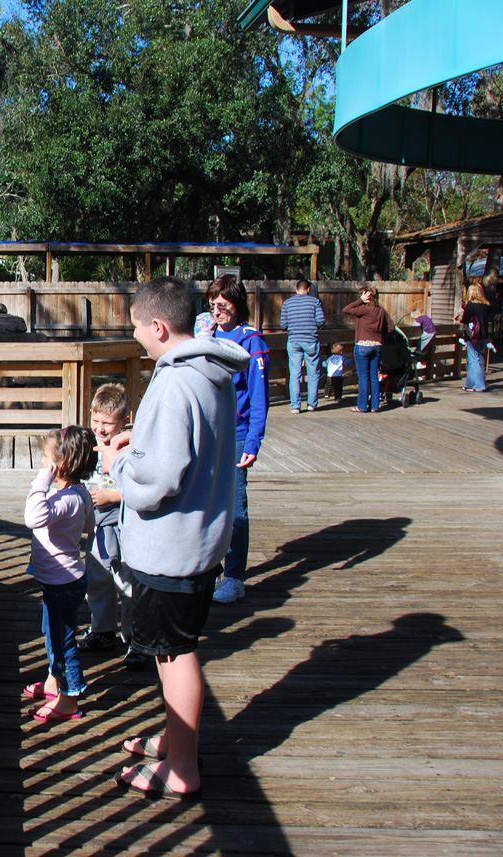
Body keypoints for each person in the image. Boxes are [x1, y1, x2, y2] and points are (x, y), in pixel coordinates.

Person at [100, 276, 246, 800]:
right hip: (201, 541)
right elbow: (190, 440)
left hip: (172, 551)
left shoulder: (172, 382)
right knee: (173, 649)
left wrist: (119, 466)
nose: (135, 335)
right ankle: (174, 740)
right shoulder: (209, 372)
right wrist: (140, 437)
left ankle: (183, 768)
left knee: (174, 655)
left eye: (136, 327)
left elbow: (158, 481)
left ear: (158, 326)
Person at [20, 425, 97, 723]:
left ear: (59, 465)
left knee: (63, 642)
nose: (42, 462)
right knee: (52, 634)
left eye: (45, 458)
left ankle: (69, 699)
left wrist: (43, 481)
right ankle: (54, 682)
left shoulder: (65, 500)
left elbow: (32, 517)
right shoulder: (77, 494)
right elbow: (89, 524)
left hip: (62, 583)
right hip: (66, 579)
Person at [77, 384, 149, 670]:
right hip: (97, 527)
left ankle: (134, 638)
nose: (101, 429)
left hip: (124, 526)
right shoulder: (90, 445)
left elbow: (138, 487)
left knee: (127, 583)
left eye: (107, 423)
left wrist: (112, 496)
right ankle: (102, 630)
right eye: (96, 421)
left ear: (123, 420)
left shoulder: (129, 448)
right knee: (96, 580)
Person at [207, 274, 268, 605]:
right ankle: (211, 567)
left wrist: (253, 442)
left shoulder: (251, 340)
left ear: (236, 304)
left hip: (238, 434)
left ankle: (234, 576)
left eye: (223, 304)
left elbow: (259, 398)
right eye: (213, 304)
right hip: (210, 433)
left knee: (235, 507)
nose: (217, 310)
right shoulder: (209, 335)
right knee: (208, 502)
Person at [279, 279, 325, 413]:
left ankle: (295, 405)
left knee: (295, 374)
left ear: (296, 289)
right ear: (308, 289)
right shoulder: (315, 302)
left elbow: (283, 324)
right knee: (313, 373)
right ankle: (311, 404)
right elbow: (321, 320)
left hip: (294, 340)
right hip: (311, 340)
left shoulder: (287, 303)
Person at [343, 285, 389, 413]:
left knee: (363, 377)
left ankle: (362, 406)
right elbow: (390, 327)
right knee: (374, 376)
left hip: (362, 346)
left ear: (366, 296)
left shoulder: (364, 309)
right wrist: (380, 336)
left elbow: (346, 309)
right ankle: (375, 406)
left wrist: (360, 301)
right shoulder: (381, 311)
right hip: (376, 346)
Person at [457, 284, 492, 392]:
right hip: (483, 336)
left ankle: (479, 385)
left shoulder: (471, 305)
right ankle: (470, 384)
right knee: (478, 360)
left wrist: (460, 315)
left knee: (473, 361)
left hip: (473, 336)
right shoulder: (485, 305)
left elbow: (465, 320)